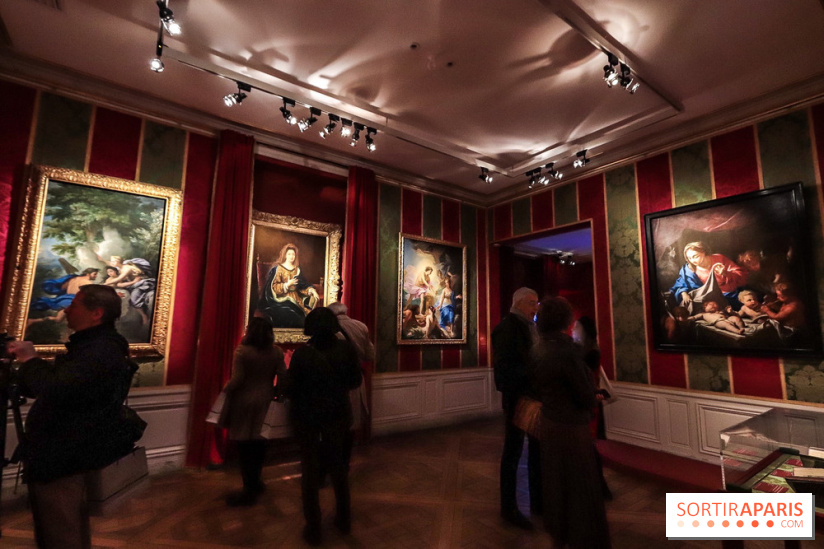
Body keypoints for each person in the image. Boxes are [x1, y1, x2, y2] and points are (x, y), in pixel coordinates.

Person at [8, 285, 142, 549]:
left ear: (96, 313)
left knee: (61, 528)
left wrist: (30, 359)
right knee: (57, 524)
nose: (67, 309)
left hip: (64, 452)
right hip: (63, 449)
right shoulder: (93, 346)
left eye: (75, 304)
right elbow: (61, 386)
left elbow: (55, 388)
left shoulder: (100, 350)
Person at [530, 296, 610, 548]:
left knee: (556, 483)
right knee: (580, 486)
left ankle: (559, 533)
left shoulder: (538, 348)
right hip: (572, 428)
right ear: (565, 321)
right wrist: (594, 397)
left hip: (549, 422)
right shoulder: (567, 351)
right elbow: (584, 395)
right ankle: (582, 538)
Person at [282, 308, 362, 546]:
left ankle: (314, 527)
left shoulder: (302, 354)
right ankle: (344, 519)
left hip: (308, 418)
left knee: (310, 472)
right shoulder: (346, 350)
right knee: (338, 469)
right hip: (337, 414)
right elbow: (355, 381)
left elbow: (290, 388)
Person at [220, 317, 285, 506]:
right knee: (260, 444)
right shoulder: (276, 352)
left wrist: (226, 388)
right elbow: (283, 376)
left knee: (244, 446)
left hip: (243, 400)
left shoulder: (242, 351)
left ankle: (248, 487)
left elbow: (238, 379)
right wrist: (277, 392)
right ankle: (256, 481)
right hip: (265, 399)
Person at [491, 287, 541, 530]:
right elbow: (504, 371)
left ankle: (538, 501)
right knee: (513, 452)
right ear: (519, 303)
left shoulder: (529, 326)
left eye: (537, 303)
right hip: (519, 399)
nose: (536, 307)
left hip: (532, 397)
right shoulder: (508, 328)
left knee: (536, 450)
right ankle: (509, 508)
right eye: (532, 303)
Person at [571, 316, 612, 499]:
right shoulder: (581, 349)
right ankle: (595, 486)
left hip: (589, 402)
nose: (573, 330)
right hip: (586, 400)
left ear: (585, 331)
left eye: (577, 327)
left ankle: (599, 487)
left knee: (588, 444)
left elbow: (585, 377)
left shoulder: (591, 352)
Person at [328, 301, 374, 434]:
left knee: (337, 419)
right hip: (356, 376)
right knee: (353, 416)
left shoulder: (330, 329)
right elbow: (370, 355)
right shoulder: (361, 326)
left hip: (335, 379)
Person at [257, 243, 320, 328]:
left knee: (304, 315)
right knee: (291, 314)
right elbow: (274, 287)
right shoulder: (278, 269)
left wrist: (311, 290)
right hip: (281, 299)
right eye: (289, 254)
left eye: (293, 254)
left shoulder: (297, 269)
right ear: (285, 255)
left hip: (296, 298)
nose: (291, 256)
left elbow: (302, 285)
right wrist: (287, 285)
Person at [669, 242, 746, 308]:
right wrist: (684, 293)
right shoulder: (689, 270)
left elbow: (740, 275)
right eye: (689, 258)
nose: (693, 260)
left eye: (695, 256)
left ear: (703, 252)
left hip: (730, 294)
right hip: (709, 299)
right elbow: (680, 284)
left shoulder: (719, 258)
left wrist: (725, 273)